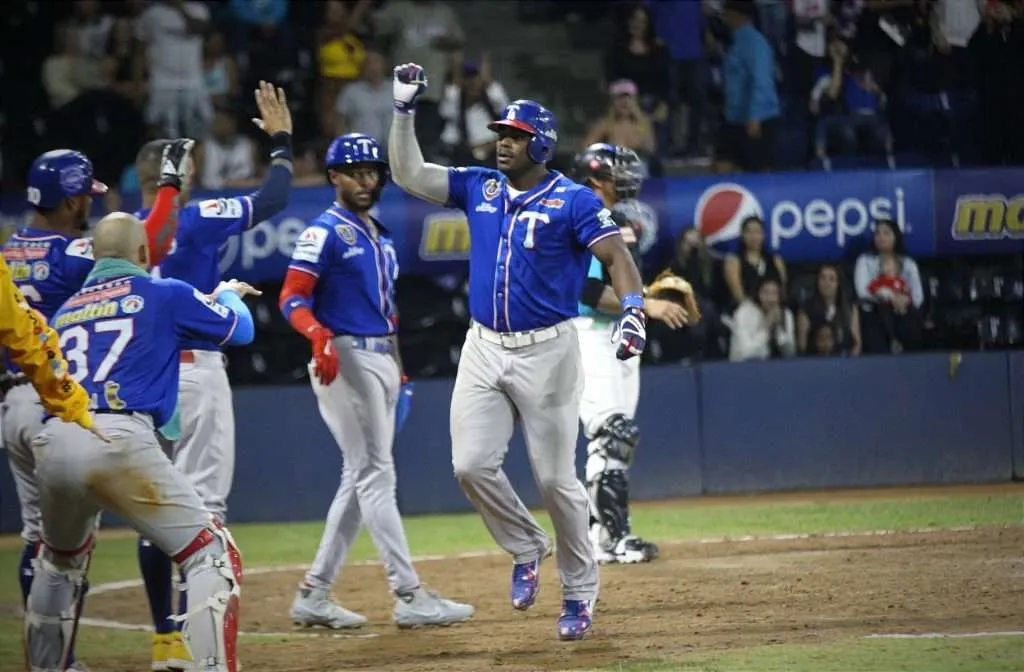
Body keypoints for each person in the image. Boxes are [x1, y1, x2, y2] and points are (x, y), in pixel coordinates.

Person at [388, 63, 649, 641]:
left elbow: (617, 260)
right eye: (500, 134)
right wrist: (403, 109)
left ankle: (580, 593)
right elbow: (407, 173)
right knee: (469, 465)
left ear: (543, 144)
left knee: (556, 481)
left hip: (548, 352)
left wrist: (633, 310)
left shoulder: (575, 200)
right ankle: (527, 545)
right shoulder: (479, 186)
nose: (502, 142)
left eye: (514, 136)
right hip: (483, 347)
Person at [23, 211, 257, 672]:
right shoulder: (162, 291)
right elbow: (241, 330)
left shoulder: (67, 307)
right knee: (211, 554)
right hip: (118, 436)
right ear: (146, 254)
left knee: (58, 562)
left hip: (52, 440)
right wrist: (228, 293)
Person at [1, 143, 190, 671]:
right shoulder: (67, 251)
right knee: (67, 546)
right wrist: (170, 186)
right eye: (83, 195)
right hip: (54, 400)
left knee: (40, 536)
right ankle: (60, 659)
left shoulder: (10, 250)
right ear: (65, 200)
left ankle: (53, 659)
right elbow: (140, 244)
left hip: (9, 402)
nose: (87, 204)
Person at [279, 132, 474, 630]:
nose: (366, 180)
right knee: (376, 476)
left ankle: (314, 593)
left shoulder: (379, 233)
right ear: (333, 178)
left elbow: (386, 311)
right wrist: (318, 335)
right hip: (344, 356)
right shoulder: (322, 231)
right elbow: (292, 297)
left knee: (359, 477)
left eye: (372, 172)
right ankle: (408, 593)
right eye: (355, 172)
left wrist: (400, 368)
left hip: (380, 357)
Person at [133, 79, 294, 671]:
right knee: (206, 518)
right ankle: (206, 658)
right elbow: (275, 199)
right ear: (179, 175)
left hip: (135, 384)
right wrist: (280, 142)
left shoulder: (119, 232)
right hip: (193, 374)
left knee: (156, 513)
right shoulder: (197, 218)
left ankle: (164, 642)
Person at [570, 143, 690, 565]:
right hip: (588, 333)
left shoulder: (621, 221)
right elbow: (584, 291)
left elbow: (621, 285)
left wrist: (650, 296)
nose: (627, 175)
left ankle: (598, 537)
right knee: (611, 431)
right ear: (595, 175)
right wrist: (645, 306)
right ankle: (616, 537)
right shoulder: (581, 215)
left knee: (613, 441)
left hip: (620, 336)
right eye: (616, 169)